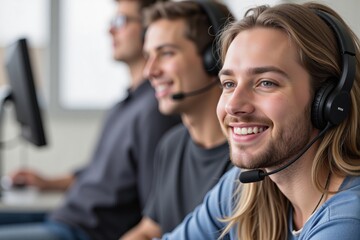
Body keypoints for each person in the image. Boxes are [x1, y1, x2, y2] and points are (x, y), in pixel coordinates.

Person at [160, 2, 360, 240]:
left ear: (327, 101)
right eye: (229, 84)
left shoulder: (347, 222)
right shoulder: (244, 189)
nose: (233, 105)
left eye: (266, 82)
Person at [0, 0, 180, 239]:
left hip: (85, 232)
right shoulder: (122, 107)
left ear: (149, 31)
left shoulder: (155, 111)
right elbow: (94, 173)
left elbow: (154, 212)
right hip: (63, 217)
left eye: (121, 21)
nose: (110, 30)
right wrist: (45, 182)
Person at [119, 1, 235, 239]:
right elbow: (149, 230)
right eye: (148, 56)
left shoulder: (248, 156)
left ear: (214, 59)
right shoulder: (171, 146)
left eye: (166, 53)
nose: (149, 71)